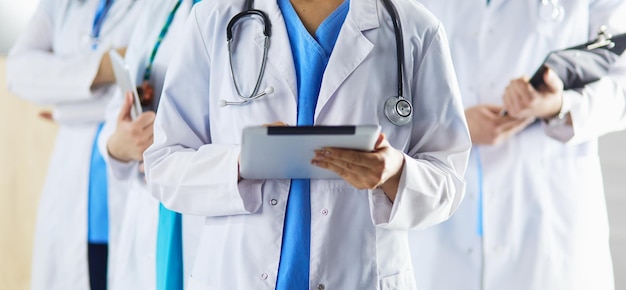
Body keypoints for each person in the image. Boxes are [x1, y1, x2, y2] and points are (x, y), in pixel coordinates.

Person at [143, 0, 471, 289]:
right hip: (235, 275)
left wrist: (395, 172)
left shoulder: (415, 28)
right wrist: (241, 164)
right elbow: (164, 165)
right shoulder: (213, 19)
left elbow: (448, 181)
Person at [409, 1, 626, 290]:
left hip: (548, 224)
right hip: (440, 231)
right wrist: (452, 126)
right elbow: (379, 86)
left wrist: (560, 105)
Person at [6, 0, 145, 289]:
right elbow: (18, 70)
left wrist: (65, 110)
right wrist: (107, 66)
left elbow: (146, 95)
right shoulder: (60, 5)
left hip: (130, 186)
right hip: (70, 194)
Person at [96, 0, 204, 289]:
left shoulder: (247, 10)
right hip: (149, 201)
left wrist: (172, 144)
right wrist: (119, 143)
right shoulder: (159, 8)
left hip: (205, 197)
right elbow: (116, 109)